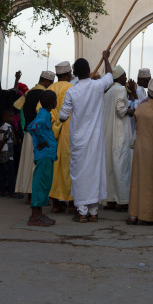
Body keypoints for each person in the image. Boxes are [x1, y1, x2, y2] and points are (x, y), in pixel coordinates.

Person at [60, 52, 113, 223]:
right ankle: (94, 211)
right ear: (89, 70)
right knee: (95, 173)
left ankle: (82, 212)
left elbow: (62, 116)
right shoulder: (97, 86)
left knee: (79, 173)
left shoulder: (72, 92)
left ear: (75, 73)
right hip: (95, 139)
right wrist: (105, 58)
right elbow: (110, 76)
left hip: (78, 139)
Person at [127, 78, 153, 225]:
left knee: (137, 180)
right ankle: (147, 216)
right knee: (151, 182)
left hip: (140, 149)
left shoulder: (140, 109)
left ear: (148, 92)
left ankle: (133, 215)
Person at [14, 70, 55, 199]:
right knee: (37, 165)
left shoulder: (28, 93)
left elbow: (16, 107)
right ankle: (36, 196)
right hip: (39, 135)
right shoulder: (45, 95)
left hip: (28, 133)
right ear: (47, 82)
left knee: (27, 164)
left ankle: (29, 194)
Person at [103, 65, 135, 211]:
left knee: (110, 166)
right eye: (124, 76)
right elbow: (121, 111)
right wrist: (133, 110)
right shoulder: (120, 89)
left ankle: (110, 199)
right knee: (121, 166)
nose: (126, 78)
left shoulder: (108, 91)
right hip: (119, 132)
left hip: (108, 133)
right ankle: (122, 200)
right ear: (118, 77)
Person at [27, 90, 58, 226]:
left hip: (47, 155)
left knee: (44, 183)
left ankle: (38, 214)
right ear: (52, 102)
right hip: (44, 155)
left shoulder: (45, 114)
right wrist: (42, 140)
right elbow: (33, 127)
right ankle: (35, 216)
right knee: (41, 183)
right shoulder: (44, 114)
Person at [48, 62, 75, 213]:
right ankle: (71, 203)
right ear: (68, 74)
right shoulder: (71, 88)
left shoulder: (50, 88)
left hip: (50, 133)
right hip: (67, 132)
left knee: (54, 168)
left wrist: (53, 128)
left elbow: (41, 109)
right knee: (68, 167)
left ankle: (56, 204)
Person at [0, 108, 17, 197]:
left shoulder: (2, 127)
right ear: (4, 118)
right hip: (7, 154)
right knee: (10, 173)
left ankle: (1, 191)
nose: (12, 118)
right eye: (10, 116)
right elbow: (4, 140)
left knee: (1, 174)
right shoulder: (7, 127)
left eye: (12, 117)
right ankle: (11, 192)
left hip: (1, 153)